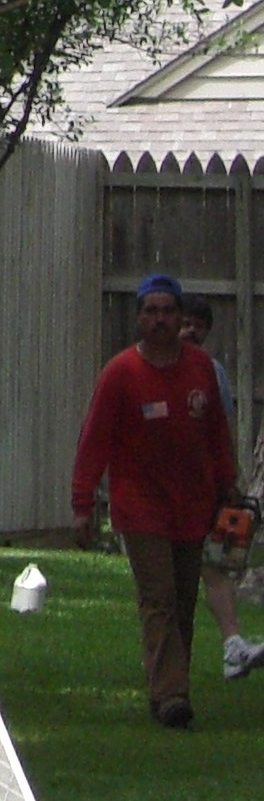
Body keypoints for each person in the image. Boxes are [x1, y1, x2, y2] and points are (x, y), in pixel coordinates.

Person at [72, 271, 239, 726]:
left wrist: (228, 486)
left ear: (180, 316)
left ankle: (165, 684)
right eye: (152, 311)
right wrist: (82, 504)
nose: (161, 319)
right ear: (139, 318)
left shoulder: (200, 369)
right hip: (139, 506)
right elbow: (94, 442)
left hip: (192, 505)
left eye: (168, 311)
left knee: (183, 599)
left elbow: (217, 435)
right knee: (159, 596)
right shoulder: (121, 373)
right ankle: (171, 697)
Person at [179, 296, 259, 679]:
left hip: (205, 487)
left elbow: (222, 430)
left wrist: (229, 482)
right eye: (185, 322)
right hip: (158, 495)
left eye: (198, 324)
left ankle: (233, 648)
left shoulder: (213, 372)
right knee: (169, 583)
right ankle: (167, 663)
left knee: (216, 565)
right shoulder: (145, 367)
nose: (190, 330)